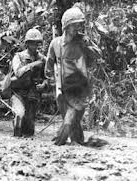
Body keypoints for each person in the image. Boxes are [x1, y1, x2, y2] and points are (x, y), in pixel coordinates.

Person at [45, 7, 102, 145]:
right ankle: (76, 141)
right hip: (63, 89)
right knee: (72, 122)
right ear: (66, 25)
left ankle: (63, 140)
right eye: (75, 24)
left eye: (79, 24)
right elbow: (48, 66)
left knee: (71, 119)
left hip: (80, 88)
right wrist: (53, 82)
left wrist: (88, 45)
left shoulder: (82, 41)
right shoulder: (56, 43)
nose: (78, 27)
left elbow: (98, 55)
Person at [10, 28, 46, 137]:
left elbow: (49, 77)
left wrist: (44, 84)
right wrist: (33, 65)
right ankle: (15, 139)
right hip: (18, 93)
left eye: (37, 43)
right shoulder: (19, 57)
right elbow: (18, 73)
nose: (35, 46)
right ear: (27, 44)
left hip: (32, 95)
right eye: (32, 43)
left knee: (29, 130)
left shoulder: (42, 59)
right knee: (19, 115)